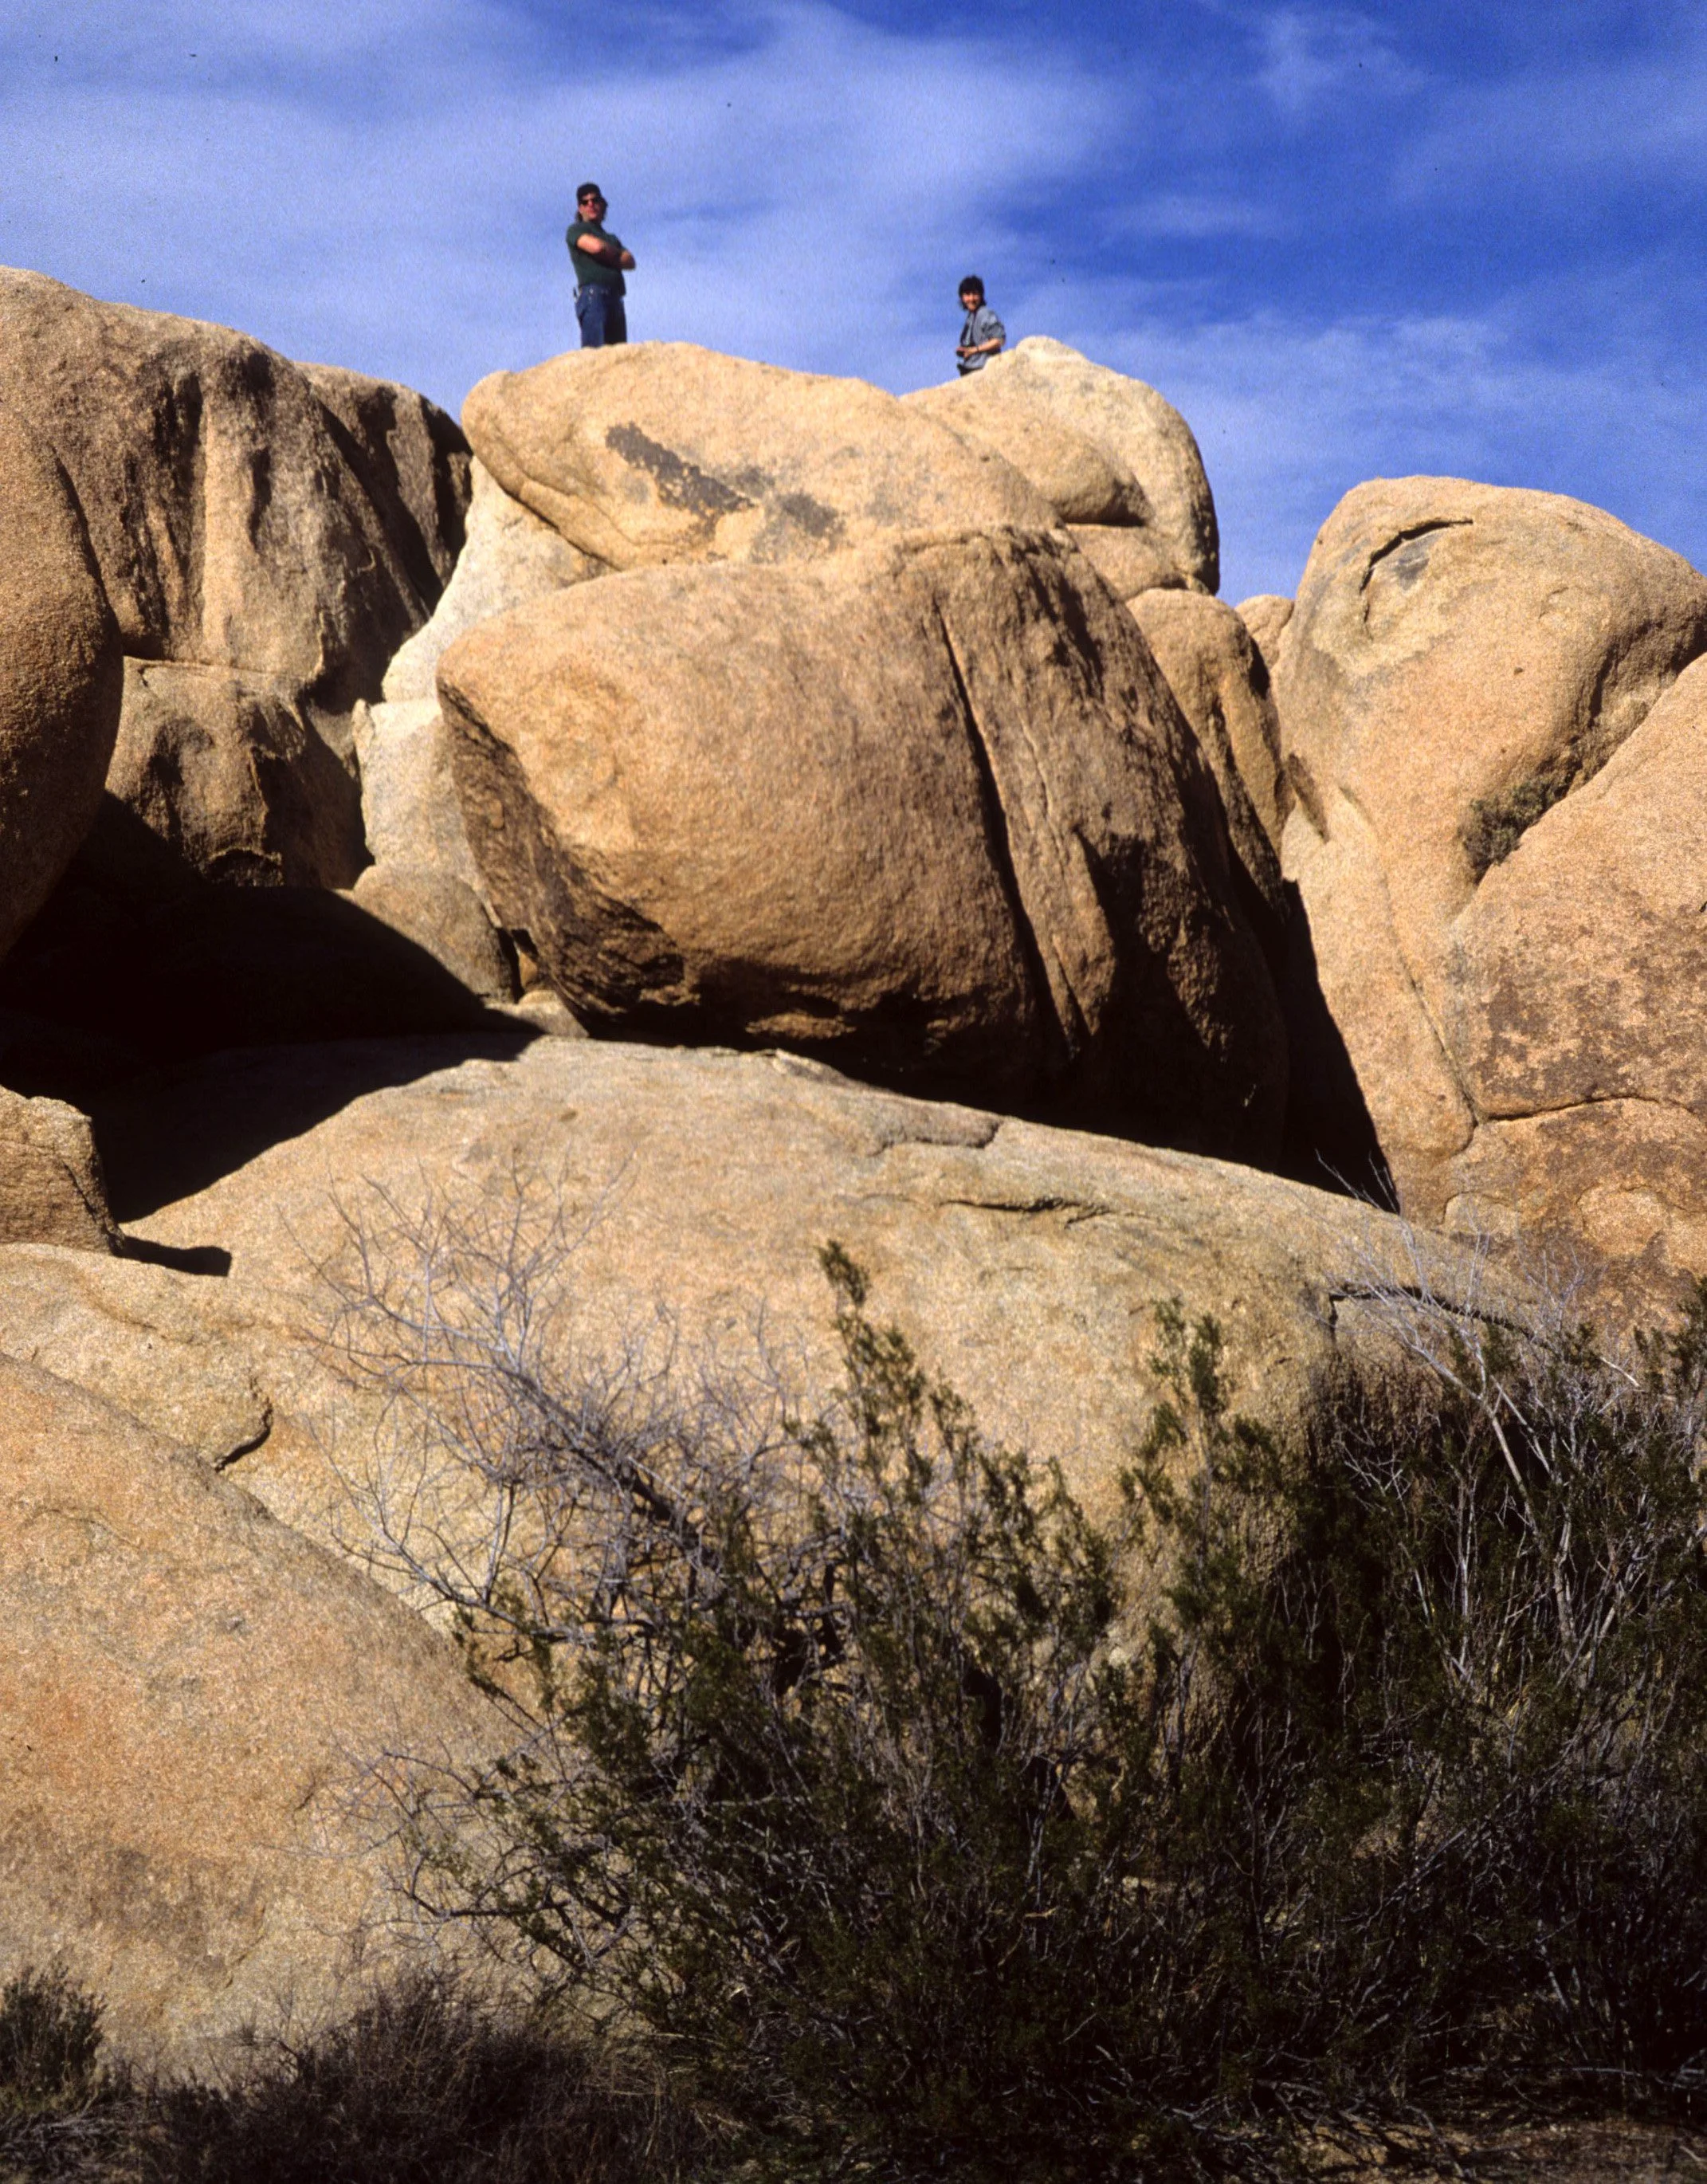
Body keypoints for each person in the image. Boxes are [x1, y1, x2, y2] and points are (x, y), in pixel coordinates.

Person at [567, 183, 635, 348]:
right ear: (580, 208)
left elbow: (630, 261)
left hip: (616, 299)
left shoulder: (611, 238)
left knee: (618, 357)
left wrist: (606, 252)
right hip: (594, 297)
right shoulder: (576, 230)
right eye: (585, 202)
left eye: (595, 200)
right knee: (595, 354)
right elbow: (596, 247)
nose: (591, 204)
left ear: (602, 204)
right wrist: (616, 256)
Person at [956, 278, 1005, 375]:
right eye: (967, 295)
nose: (971, 299)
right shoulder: (971, 317)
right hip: (971, 369)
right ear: (962, 297)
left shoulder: (985, 314)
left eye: (975, 294)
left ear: (981, 296)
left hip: (985, 369)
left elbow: (999, 340)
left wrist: (975, 350)